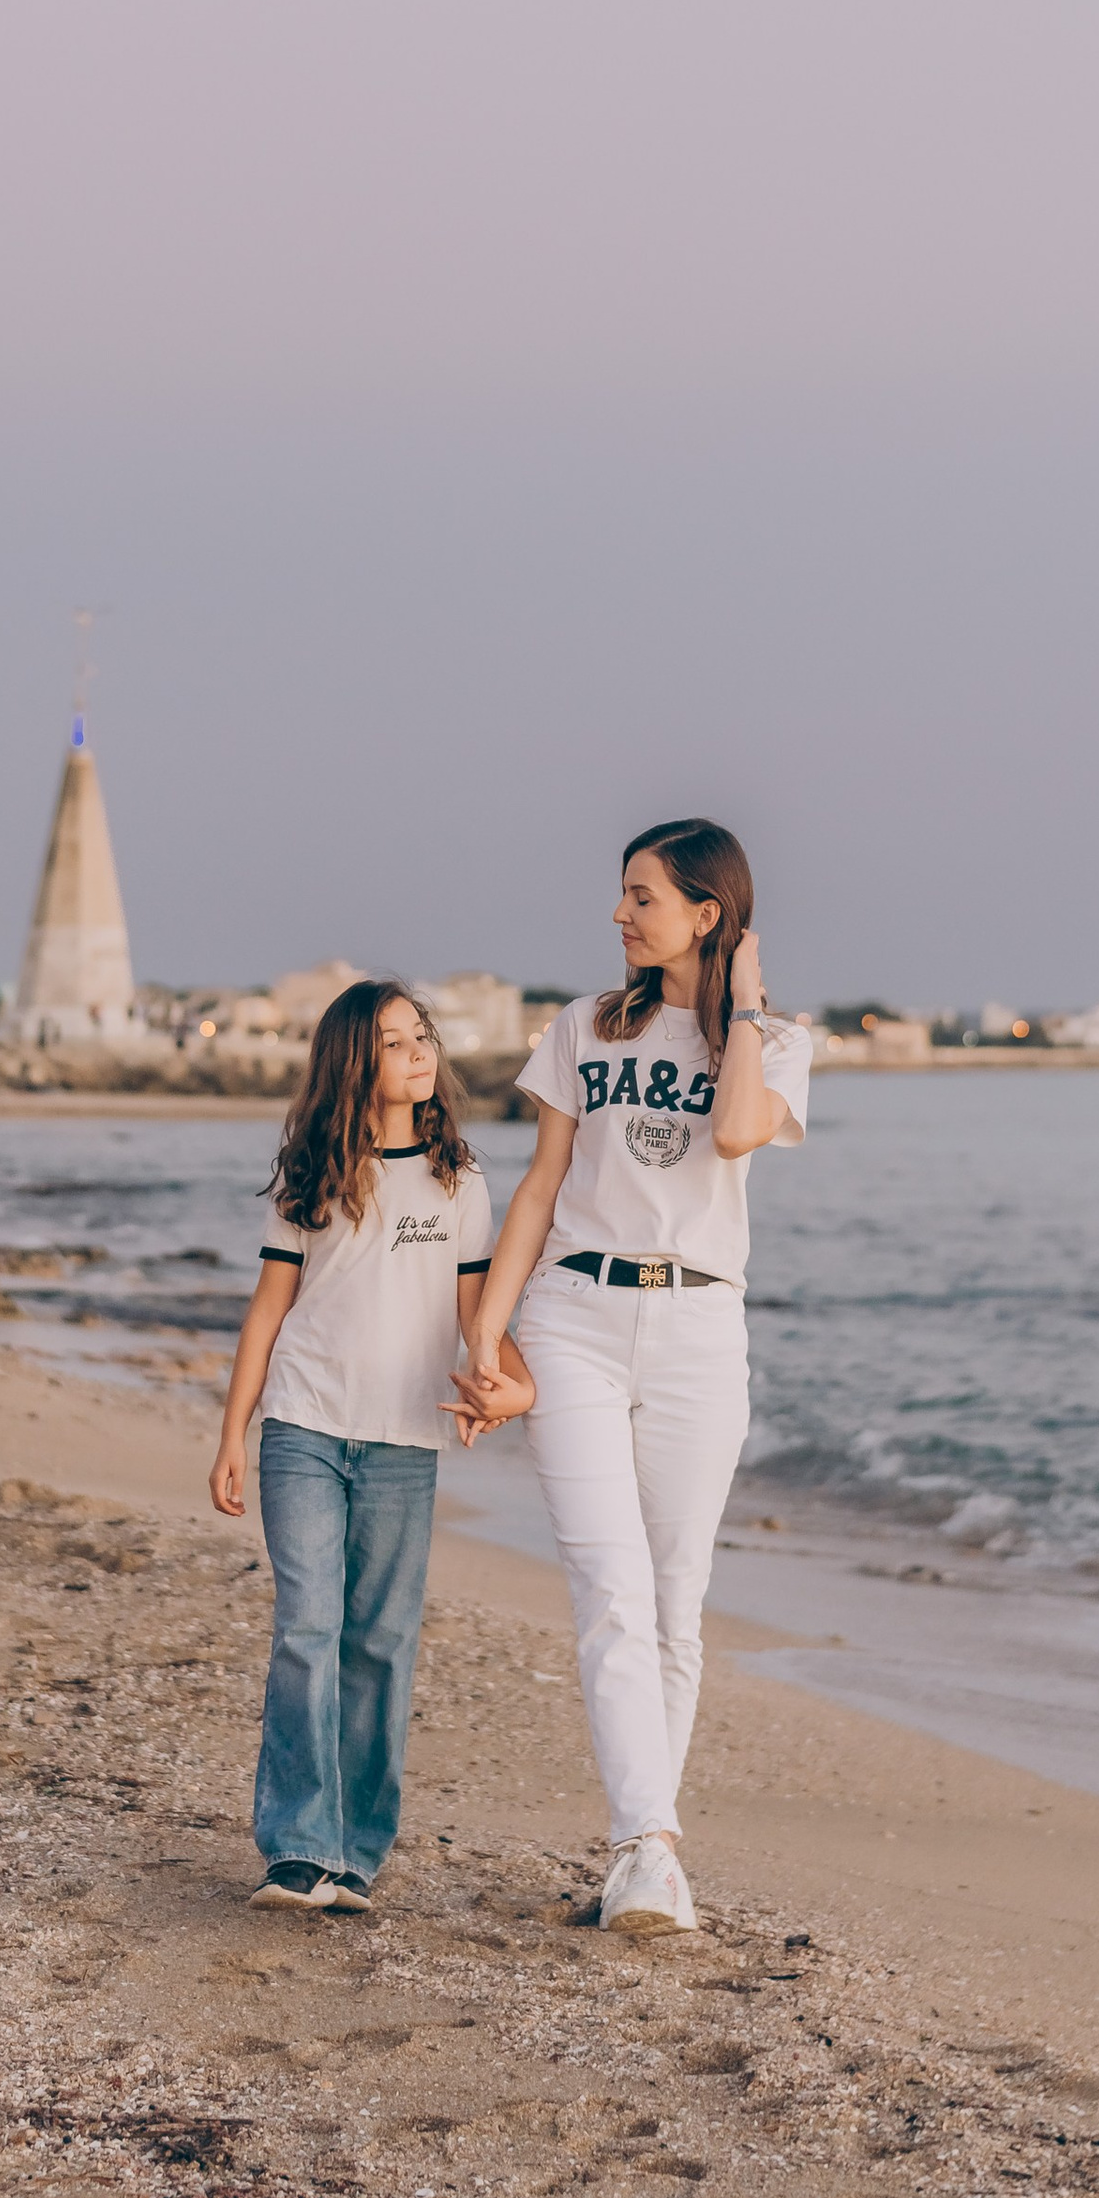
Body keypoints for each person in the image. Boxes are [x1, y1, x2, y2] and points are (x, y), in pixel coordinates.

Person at [457, 818, 809, 1935]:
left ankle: (643, 1846)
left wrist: (741, 1004)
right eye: (620, 894)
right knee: (607, 1588)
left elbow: (740, 1134)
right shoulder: (582, 1029)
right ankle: (647, 1851)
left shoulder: (776, 1043)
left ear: (706, 912)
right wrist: (485, 1332)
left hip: (701, 1327)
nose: (619, 914)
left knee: (674, 1601)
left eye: (643, 897)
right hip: (575, 1317)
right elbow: (538, 1185)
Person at [209, 979, 496, 1912]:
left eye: (423, 1038)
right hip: (302, 1426)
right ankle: (297, 1848)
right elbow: (269, 1307)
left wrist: (501, 1379)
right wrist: (232, 1432)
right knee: (305, 1629)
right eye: (394, 1042)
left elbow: (473, 1313)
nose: (418, 1054)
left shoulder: (461, 1179)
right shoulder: (312, 1170)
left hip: (405, 1441)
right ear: (352, 1061)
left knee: (379, 1642)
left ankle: (357, 1854)